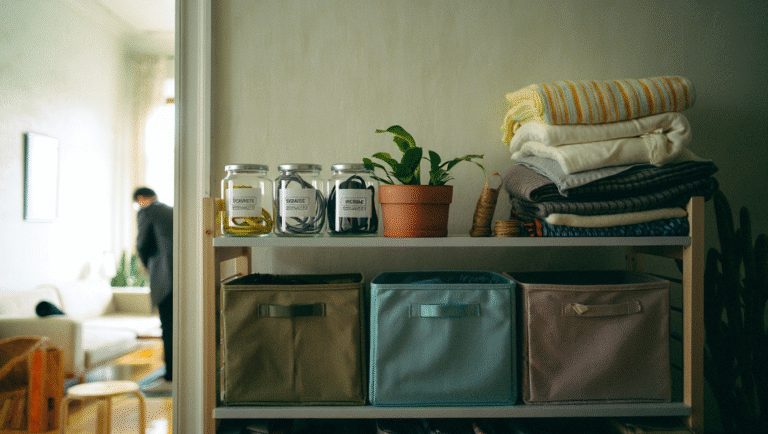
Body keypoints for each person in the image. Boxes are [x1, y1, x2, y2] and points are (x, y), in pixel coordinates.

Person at [133, 187, 173, 392]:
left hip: (164, 277)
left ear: (140, 199)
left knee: (167, 326)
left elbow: (142, 244)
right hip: (182, 276)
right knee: (179, 327)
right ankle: (180, 372)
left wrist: (147, 266)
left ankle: (170, 376)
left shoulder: (147, 212)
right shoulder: (171, 210)